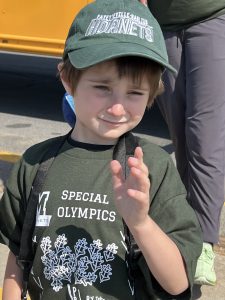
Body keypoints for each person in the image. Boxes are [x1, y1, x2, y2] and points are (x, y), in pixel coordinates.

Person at [0, 0, 202, 299]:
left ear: (151, 94)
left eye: (135, 92)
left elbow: (177, 283)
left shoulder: (152, 168)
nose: (118, 107)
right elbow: (19, 257)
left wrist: (140, 222)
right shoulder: (35, 163)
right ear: (68, 79)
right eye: (102, 88)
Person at [139, 0, 225, 286]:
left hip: (213, 17)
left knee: (204, 136)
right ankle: (189, 230)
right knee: (182, 135)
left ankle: (203, 243)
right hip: (162, 24)